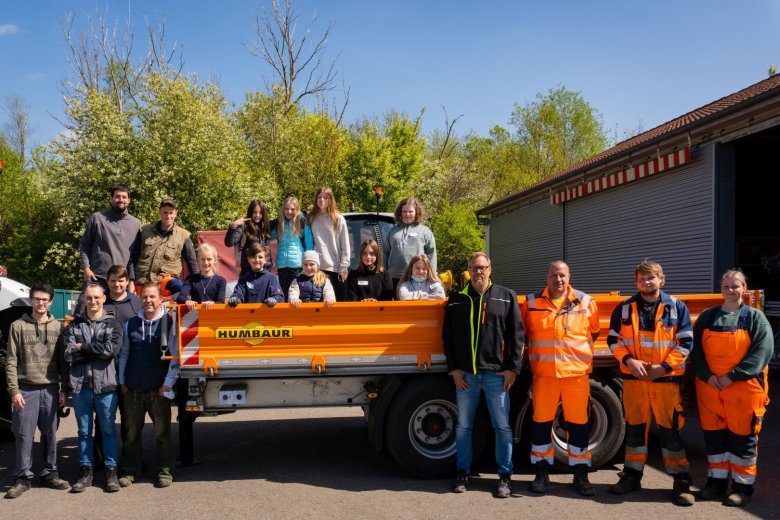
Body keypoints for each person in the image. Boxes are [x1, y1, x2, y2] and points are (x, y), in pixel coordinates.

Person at [606, 259, 696, 506]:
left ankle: (681, 482)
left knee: (670, 433)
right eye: (641, 279)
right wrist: (629, 360)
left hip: (665, 380)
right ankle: (632, 476)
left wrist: (663, 368)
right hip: (634, 380)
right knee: (634, 431)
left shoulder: (676, 307)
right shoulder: (624, 308)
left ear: (661, 279)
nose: (646, 282)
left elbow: (686, 343)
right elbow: (613, 340)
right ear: (636, 282)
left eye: (651, 278)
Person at [443, 252, 524, 498]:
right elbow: (447, 338)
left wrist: (513, 369)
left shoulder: (506, 296)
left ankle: (505, 477)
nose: (479, 272)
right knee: (464, 426)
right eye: (474, 268)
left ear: (490, 269)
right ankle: (462, 473)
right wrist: (454, 369)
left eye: (483, 267)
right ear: (468, 270)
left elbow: (518, 337)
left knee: (502, 426)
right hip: (466, 376)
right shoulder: (457, 299)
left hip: (496, 376)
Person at [691, 269, 773, 507]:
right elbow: (696, 352)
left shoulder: (755, 318)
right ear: (721, 289)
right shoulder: (708, 317)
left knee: (742, 440)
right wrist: (707, 376)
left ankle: (742, 488)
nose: (730, 290)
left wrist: (732, 377)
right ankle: (715, 484)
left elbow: (762, 353)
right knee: (715, 440)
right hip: (711, 389)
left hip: (743, 390)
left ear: (744, 289)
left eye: (735, 286)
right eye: (726, 286)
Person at [520, 261, 599, 496]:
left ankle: (581, 476)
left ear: (569, 276)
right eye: (554, 275)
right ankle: (541, 474)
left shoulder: (586, 302)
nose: (558, 280)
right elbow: (522, 334)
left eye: (562, 275)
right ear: (547, 277)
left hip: (576, 376)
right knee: (541, 425)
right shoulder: (532, 303)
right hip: (545, 375)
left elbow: (593, 332)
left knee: (579, 426)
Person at [4, 283, 69, 499]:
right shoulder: (17, 326)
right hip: (26, 389)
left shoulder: (58, 327)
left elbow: (63, 362)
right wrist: (14, 390)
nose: (40, 303)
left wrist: (64, 389)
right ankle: (22, 477)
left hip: (50, 389)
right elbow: (11, 360)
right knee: (23, 435)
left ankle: (49, 472)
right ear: (31, 300)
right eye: (36, 299)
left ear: (50, 302)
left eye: (44, 299)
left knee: (50, 434)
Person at [118, 283, 179, 488]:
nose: (148, 300)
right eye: (145, 297)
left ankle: (165, 471)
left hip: (158, 390)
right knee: (131, 434)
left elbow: (175, 357)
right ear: (140, 299)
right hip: (133, 389)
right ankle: (129, 470)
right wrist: (122, 382)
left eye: (153, 296)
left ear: (160, 299)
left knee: (162, 434)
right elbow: (124, 354)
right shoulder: (131, 324)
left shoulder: (168, 323)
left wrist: (168, 384)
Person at [63, 284, 123, 493]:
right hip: (81, 387)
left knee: (108, 431)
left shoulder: (112, 324)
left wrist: (83, 347)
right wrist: (92, 350)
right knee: (84, 432)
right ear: (84, 300)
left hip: (106, 387)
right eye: (89, 298)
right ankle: (86, 471)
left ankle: (111, 472)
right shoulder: (74, 326)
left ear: (103, 298)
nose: (93, 301)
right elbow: (68, 354)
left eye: (96, 297)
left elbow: (110, 351)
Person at [79, 184, 141, 294]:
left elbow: (133, 258)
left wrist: (131, 280)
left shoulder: (136, 224)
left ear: (129, 200)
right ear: (111, 199)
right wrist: (86, 268)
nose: (120, 200)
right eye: (117, 196)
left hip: (120, 282)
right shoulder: (97, 218)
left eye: (124, 197)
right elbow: (85, 244)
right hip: (96, 278)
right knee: (83, 310)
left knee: (118, 311)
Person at [134, 198, 198, 287]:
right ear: (160, 212)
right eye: (165, 212)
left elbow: (192, 264)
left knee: (179, 287)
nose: (168, 216)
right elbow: (133, 258)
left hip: (167, 284)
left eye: (171, 213)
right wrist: (130, 280)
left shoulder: (184, 235)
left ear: (176, 214)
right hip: (142, 282)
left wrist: (198, 285)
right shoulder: (144, 231)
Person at [307, 187, 350, 301]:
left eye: (325, 197)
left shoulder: (338, 218)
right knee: (320, 308)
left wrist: (344, 267)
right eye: (319, 197)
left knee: (338, 307)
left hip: (336, 269)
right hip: (318, 269)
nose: (322, 200)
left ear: (330, 200)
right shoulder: (311, 218)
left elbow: (345, 245)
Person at [385, 197, 436, 289]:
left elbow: (431, 254)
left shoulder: (425, 231)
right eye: (404, 211)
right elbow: (385, 253)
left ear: (416, 213)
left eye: (410, 211)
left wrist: (432, 275)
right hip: (395, 276)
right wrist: (383, 274)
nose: (407, 214)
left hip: (418, 276)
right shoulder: (392, 231)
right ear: (400, 213)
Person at [271, 196, 314, 300]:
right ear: (283, 209)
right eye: (286, 209)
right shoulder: (279, 222)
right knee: (284, 297)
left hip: (297, 265)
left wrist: (308, 262)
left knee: (296, 296)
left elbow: (309, 243)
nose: (289, 212)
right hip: (282, 266)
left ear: (296, 209)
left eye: (292, 209)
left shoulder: (302, 221)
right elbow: (268, 235)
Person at [225, 199, 272, 277]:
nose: (257, 215)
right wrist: (233, 225)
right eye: (254, 212)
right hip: (248, 273)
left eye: (260, 213)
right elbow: (229, 243)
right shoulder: (244, 227)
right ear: (250, 212)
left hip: (265, 273)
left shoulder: (266, 227)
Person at [228, 243, 284, 307]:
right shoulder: (243, 280)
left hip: (267, 316)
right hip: (248, 315)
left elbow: (279, 296)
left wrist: (274, 299)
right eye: (253, 257)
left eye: (260, 257)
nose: (257, 260)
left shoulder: (272, 278)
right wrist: (235, 298)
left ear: (265, 259)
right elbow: (237, 294)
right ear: (248, 259)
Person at [176, 244, 227, 310]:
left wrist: (213, 303)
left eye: (209, 259)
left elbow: (220, 301)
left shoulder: (221, 281)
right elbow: (180, 297)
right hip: (195, 317)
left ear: (215, 261)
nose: (206, 263)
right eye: (203, 259)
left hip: (214, 317)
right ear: (198, 260)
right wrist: (187, 301)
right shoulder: (191, 279)